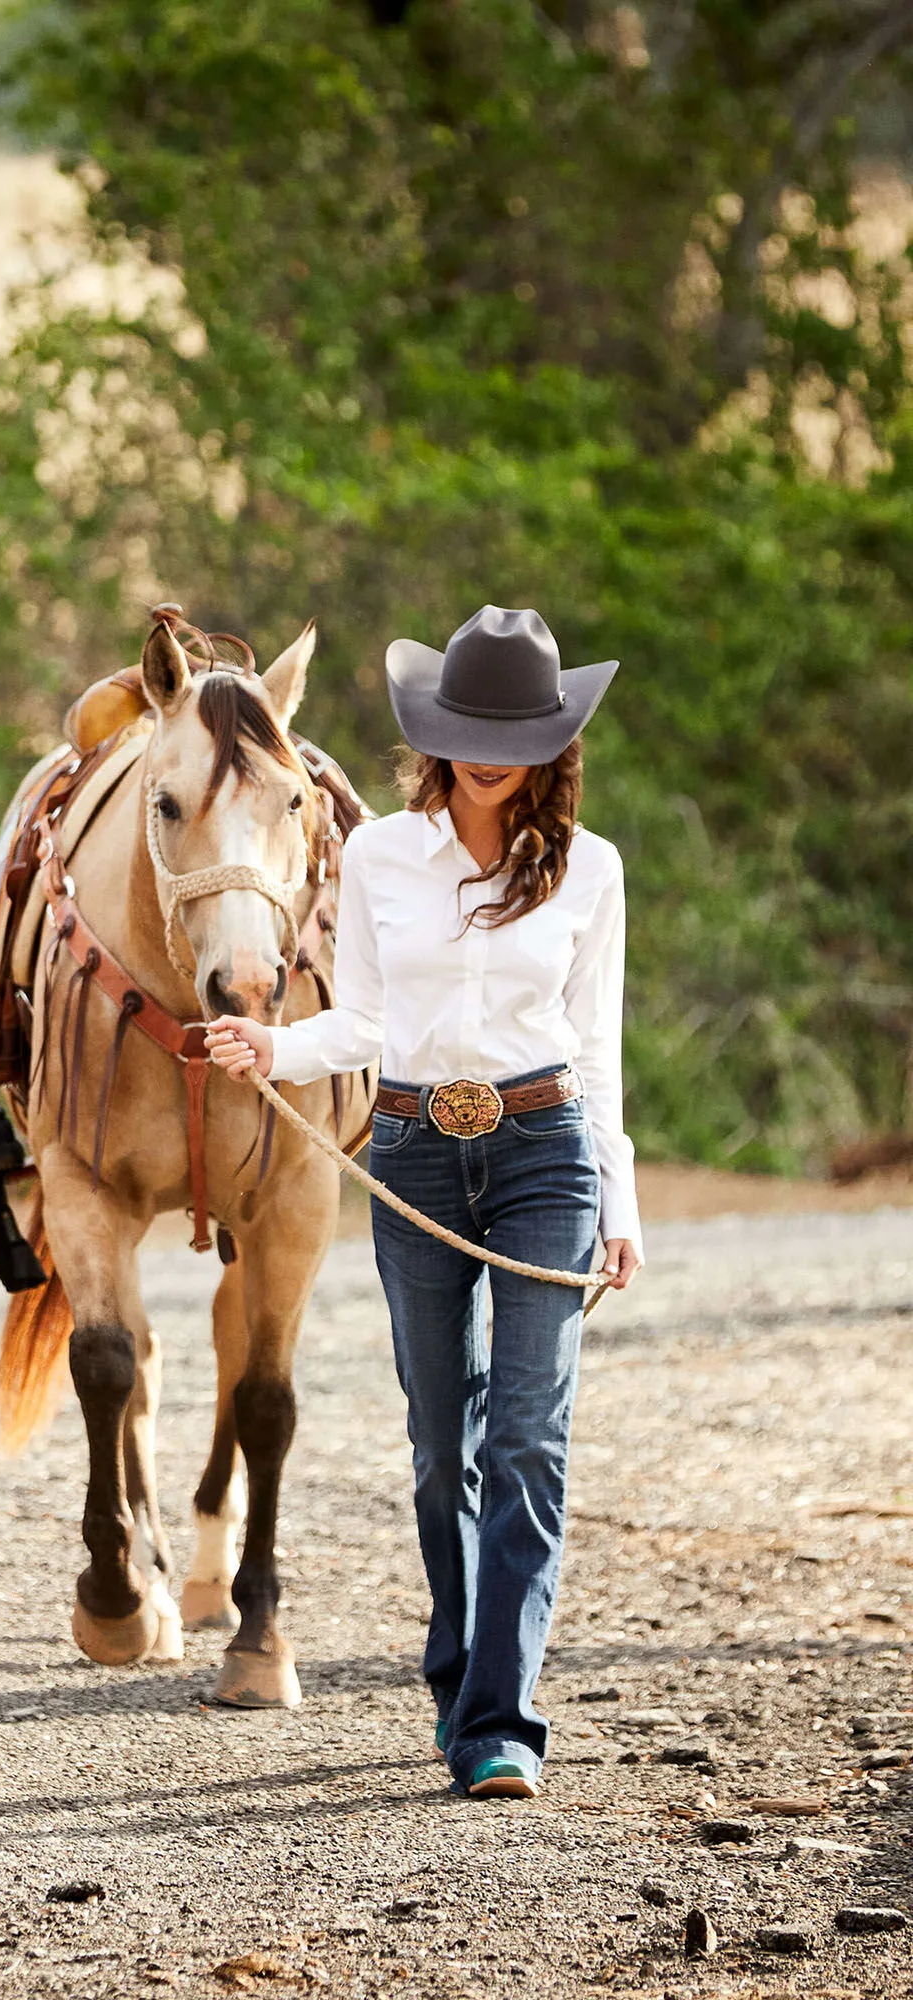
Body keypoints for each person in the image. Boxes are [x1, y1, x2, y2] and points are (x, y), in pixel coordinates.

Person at [206, 604, 642, 1802]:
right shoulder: (380, 854)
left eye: (516, 729)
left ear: (553, 738)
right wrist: (273, 1046)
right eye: (468, 727)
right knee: (436, 1435)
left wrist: (621, 1198)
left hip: (547, 1146)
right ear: (432, 735)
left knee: (525, 1434)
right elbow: (360, 1020)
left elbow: (596, 1049)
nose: (489, 749)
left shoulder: (589, 868)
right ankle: (456, 1671)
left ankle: (500, 1717)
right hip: (410, 1147)